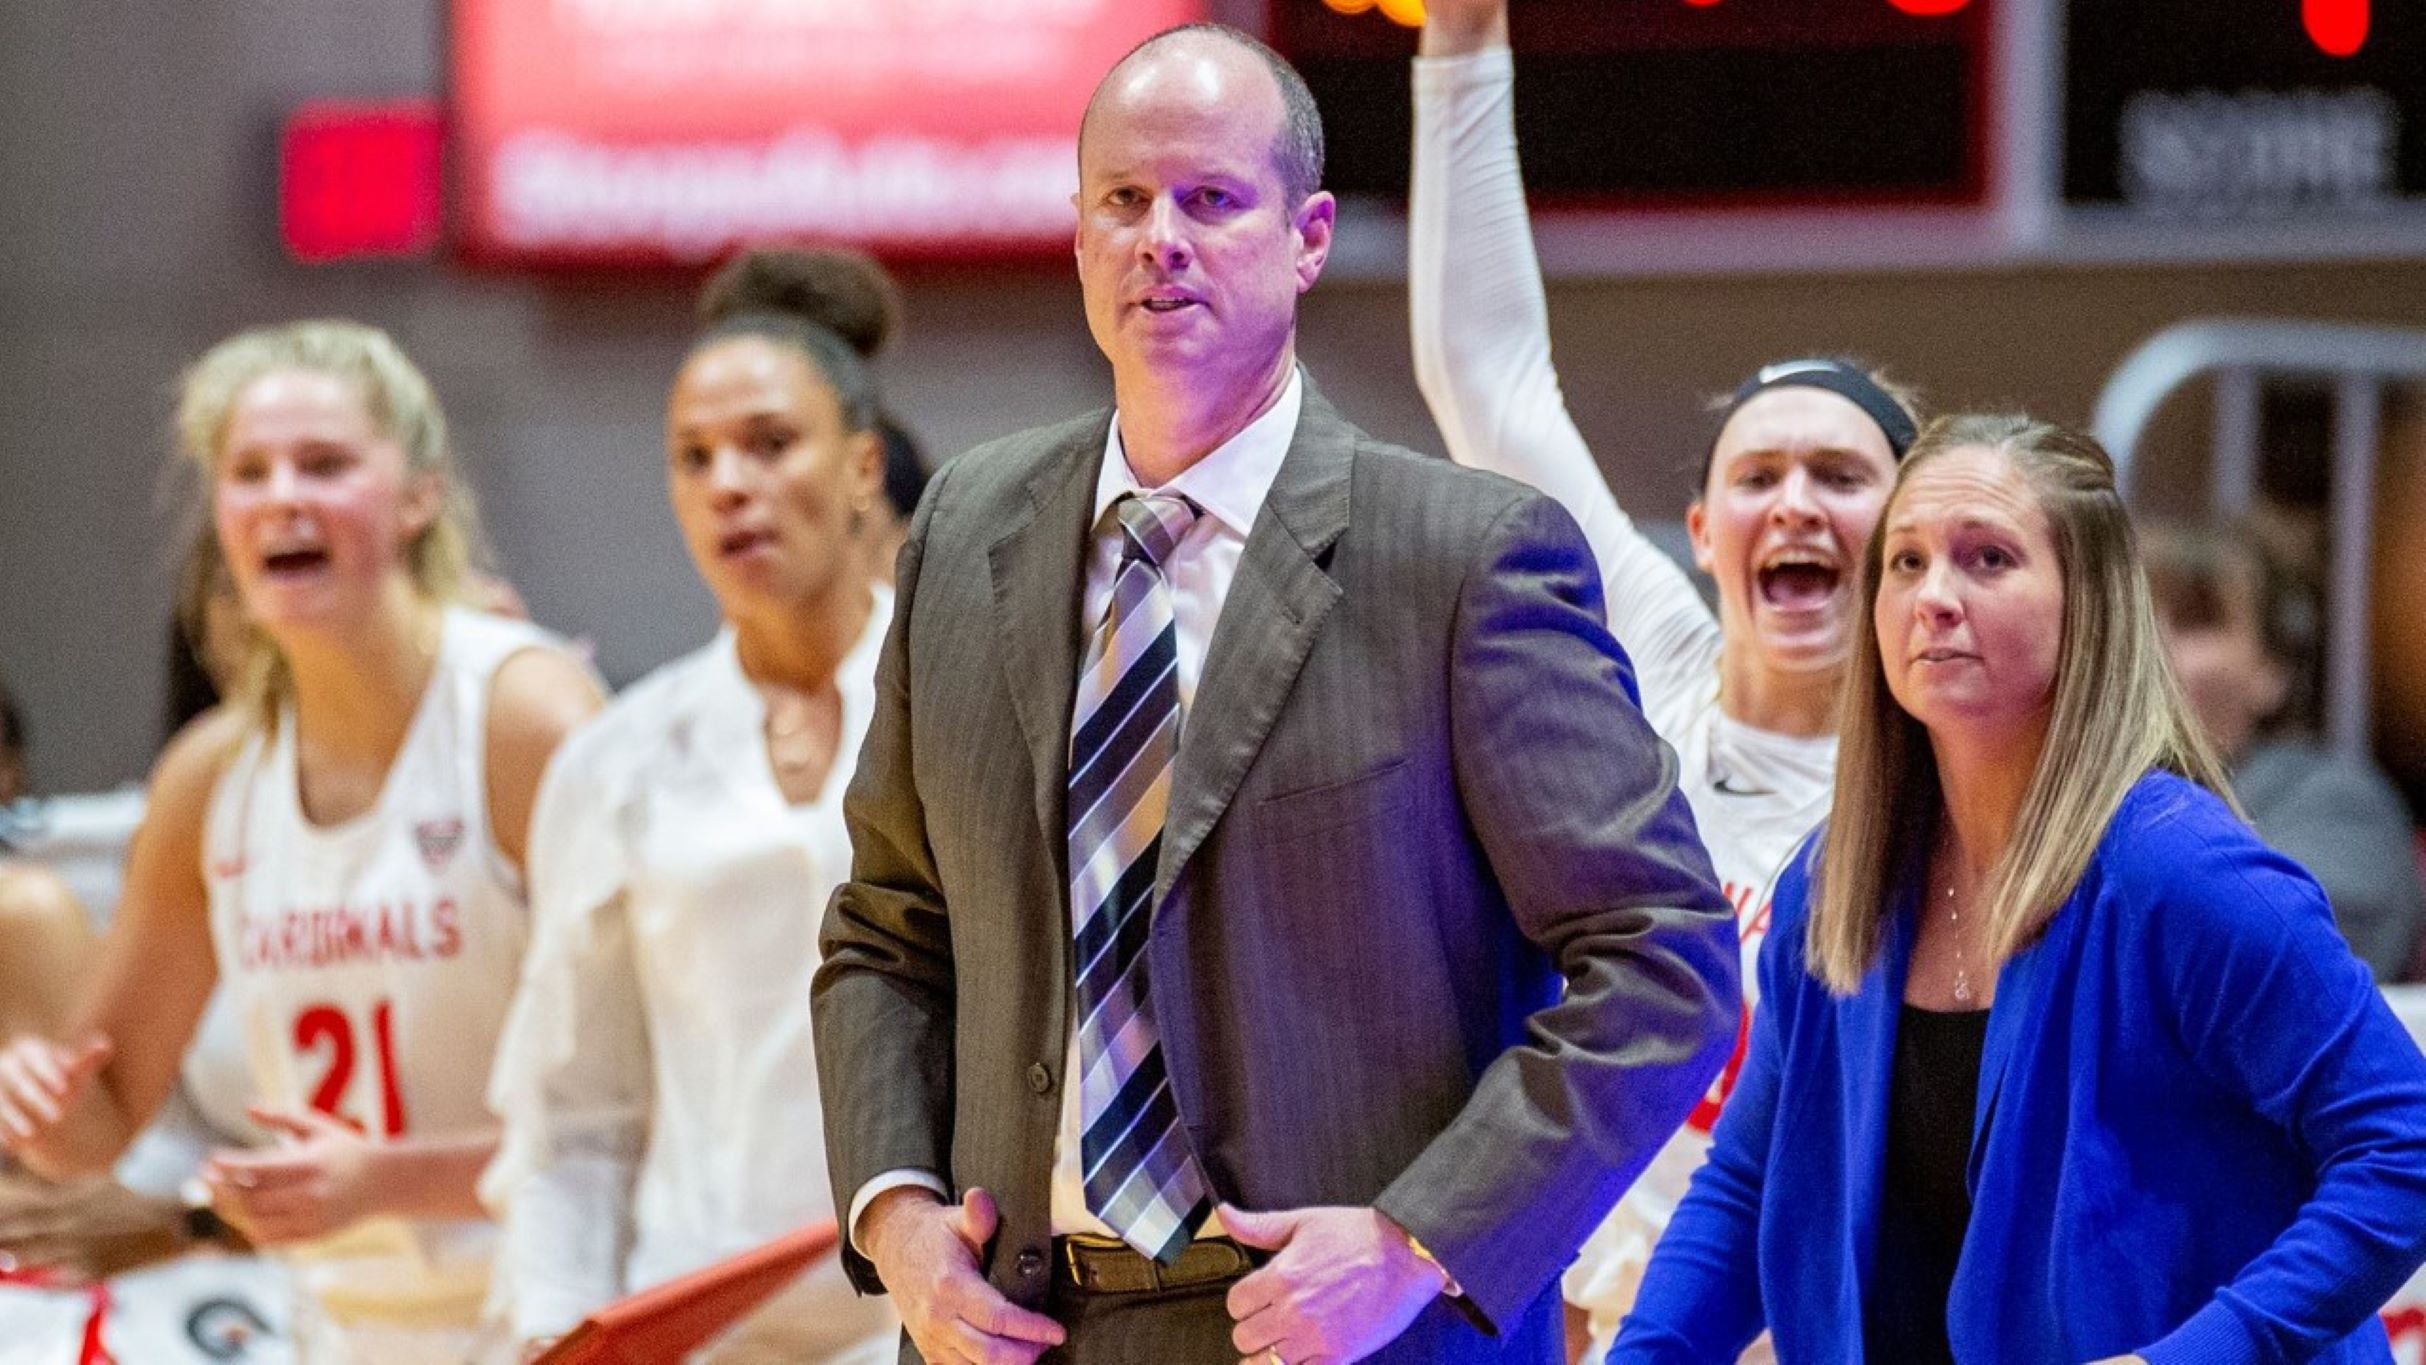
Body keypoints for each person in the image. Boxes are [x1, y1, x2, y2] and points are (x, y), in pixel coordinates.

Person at [814, 22, 1740, 1365]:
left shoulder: (1463, 555)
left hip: (1354, 1334)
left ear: (1306, 236)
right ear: (1077, 236)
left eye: (1209, 199)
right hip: (1015, 1327)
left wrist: (1417, 1238)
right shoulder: (967, 527)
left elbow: (1663, 959)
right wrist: (894, 1213)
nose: (1159, 239)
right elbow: (887, 931)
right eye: (1122, 202)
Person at [1611, 414, 2426, 1364]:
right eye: (1907, 562)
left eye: (1987, 558)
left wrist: (2203, 1353)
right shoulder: (1834, 883)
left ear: (2091, 604)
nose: (1934, 597)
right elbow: (1751, 1181)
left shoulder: (2183, 873)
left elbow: (2402, 1145)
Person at [1408, 2, 1919, 1356]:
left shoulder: (1963, 771)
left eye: (1839, 477)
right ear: (1699, 534)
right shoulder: (1655, 671)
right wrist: (1461, 37)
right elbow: (1487, 377)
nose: (1795, 504)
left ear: (1911, 532)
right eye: (1758, 478)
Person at [0, 319, 602, 1362]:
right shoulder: (210, 780)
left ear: (417, 495)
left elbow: (640, 1119)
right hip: (339, 1326)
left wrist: (384, 1179)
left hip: (560, 1310)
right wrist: (35, 1101)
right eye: (250, 472)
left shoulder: (525, 721)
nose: (284, 496)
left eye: (324, 465)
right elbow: (96, 1119)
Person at [485, 246, 903, 1363]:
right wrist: (548, 1329)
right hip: (706, 1327)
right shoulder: (615, 760)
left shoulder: (979, 710)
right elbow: (570, 1112)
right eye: (694, 456)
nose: (729, 482)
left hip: (944, 1322)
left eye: (771, 445)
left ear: (863, 467)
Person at [2144, 521, 2426, 981]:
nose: (2149, 646)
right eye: (2130, 620)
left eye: (2195, 620)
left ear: (2272, 670)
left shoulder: (2338, 808)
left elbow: (2269, 974)